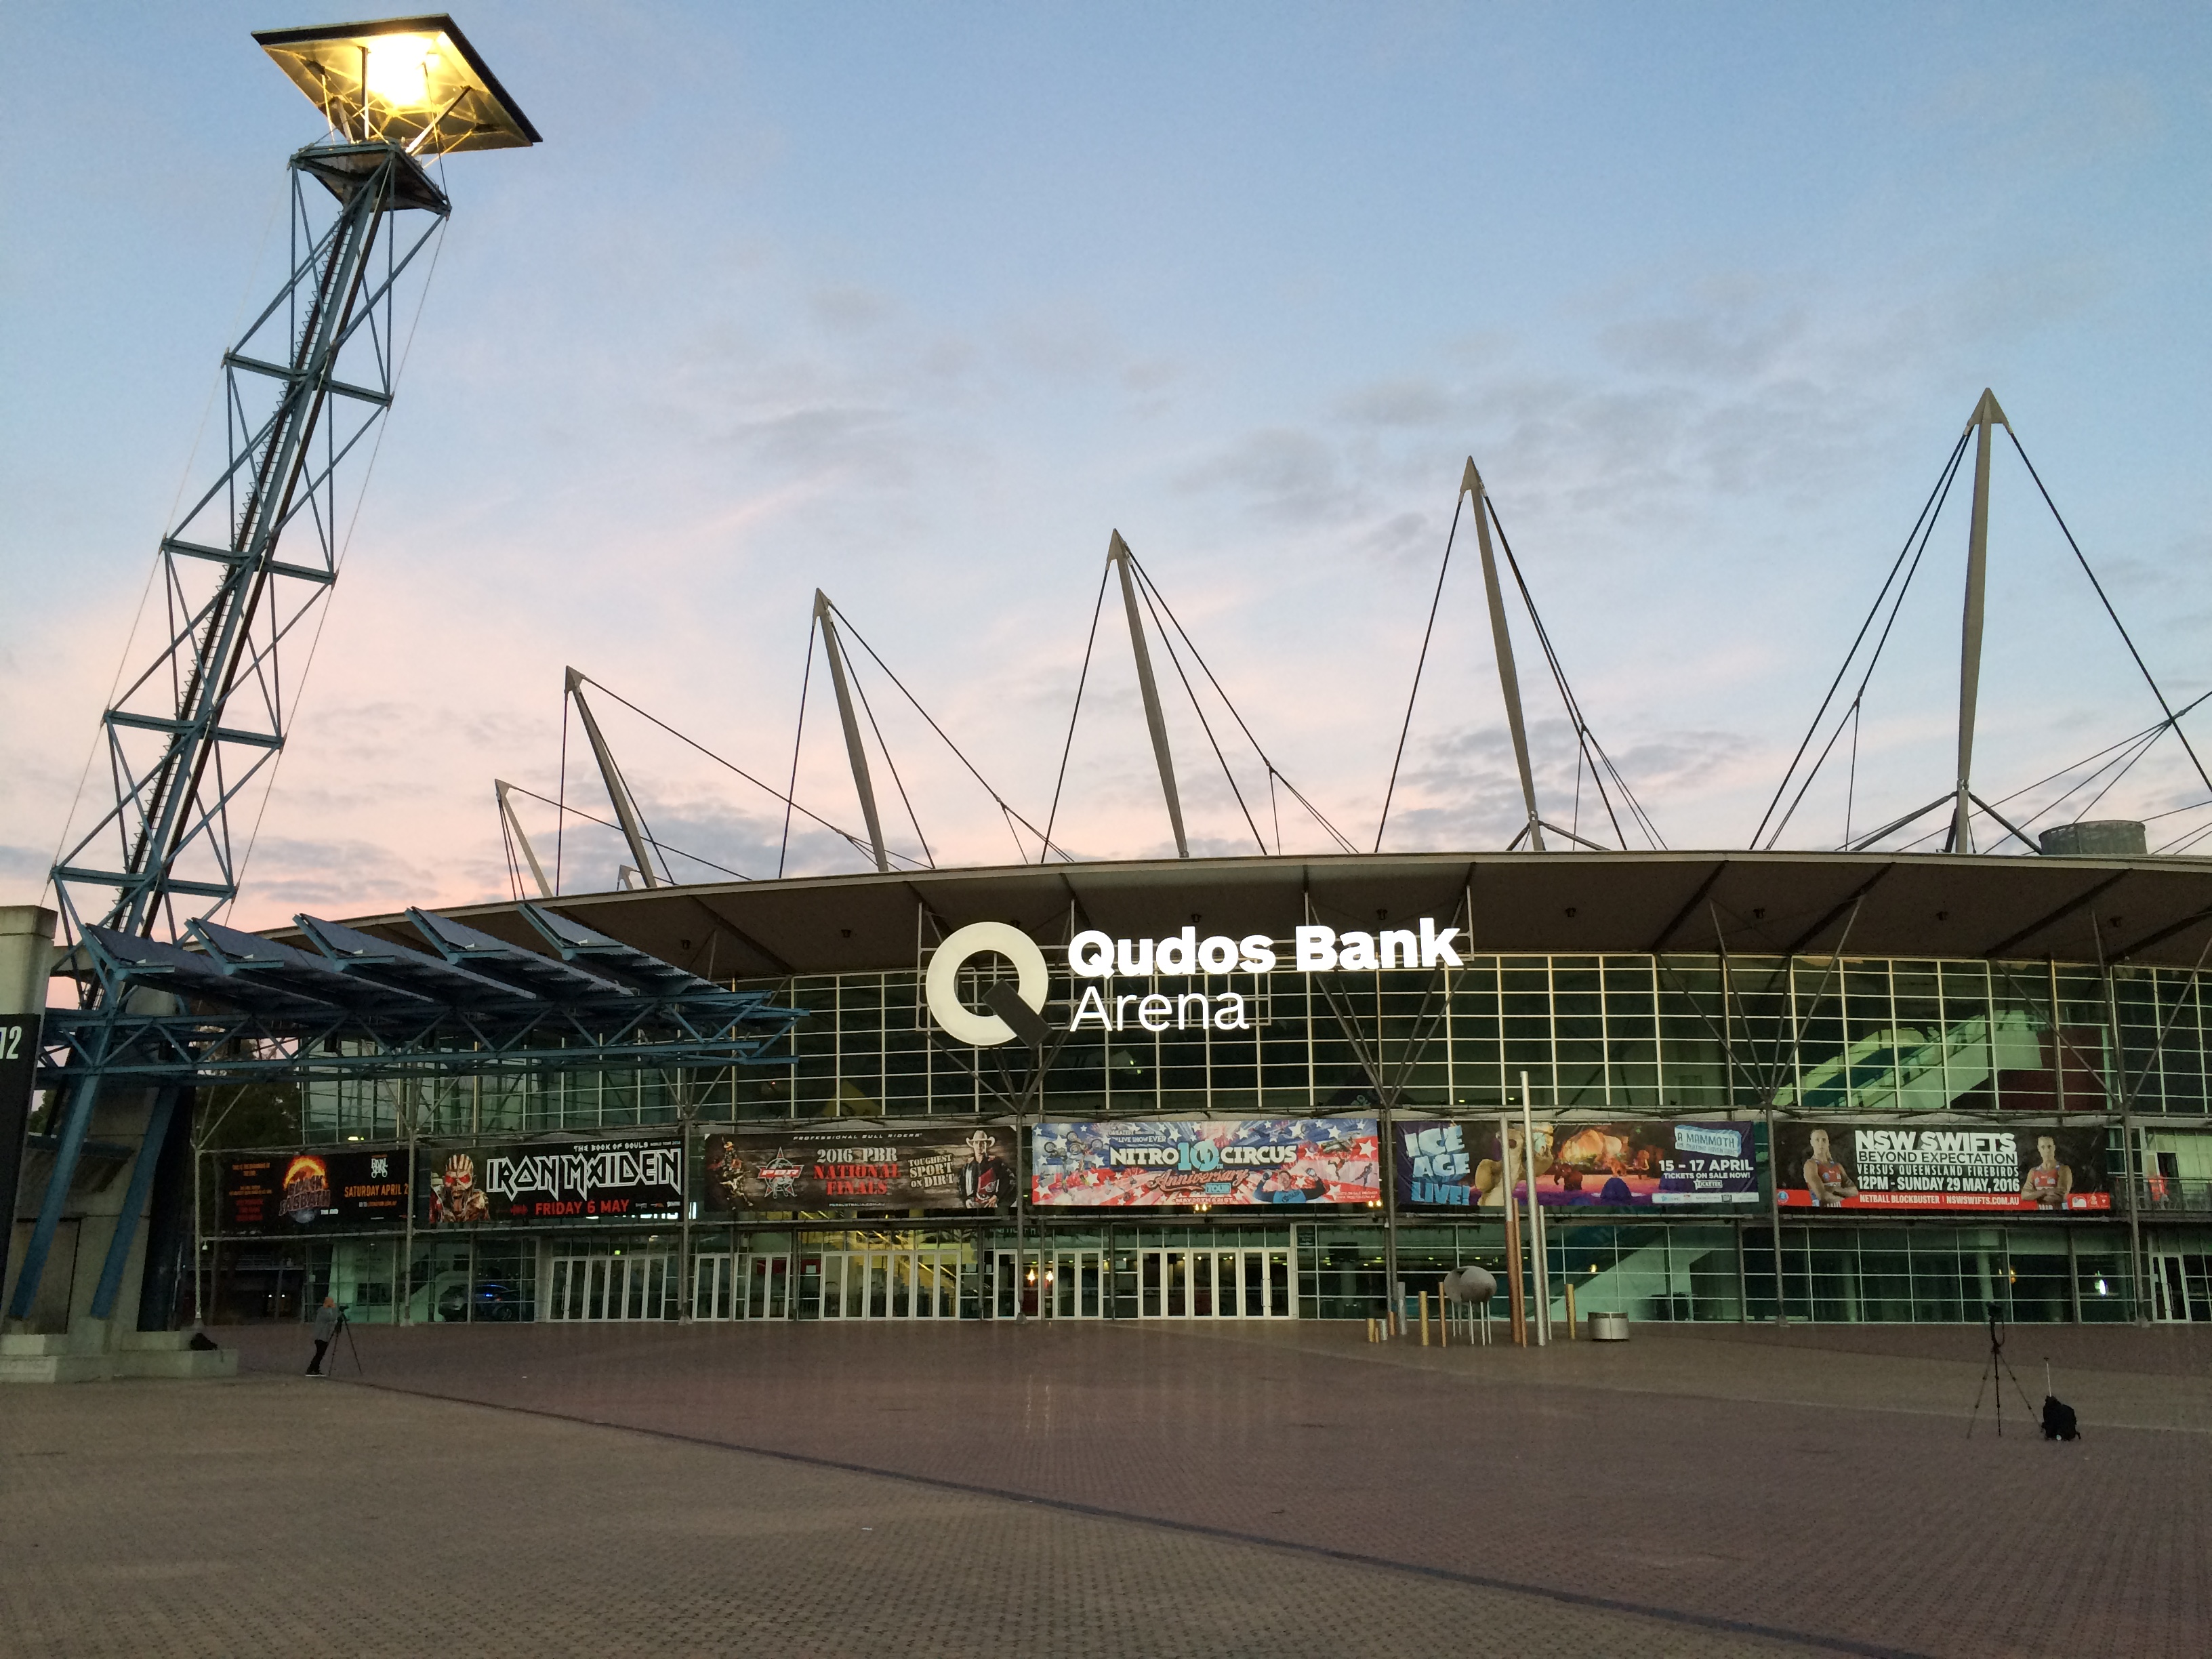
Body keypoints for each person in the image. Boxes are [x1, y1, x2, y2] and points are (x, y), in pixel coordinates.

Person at [1802, 1127, 1858, 1206]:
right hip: (1820, 1214)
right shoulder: (1811, 1165)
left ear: (1828, 1142)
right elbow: (1823, 1197)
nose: (1821, 1143)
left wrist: (1835, 1189)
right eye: (1817, 1140)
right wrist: (1845, 1195)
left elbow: (1855, 1192)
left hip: (1840, 1213)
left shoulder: (1838, 1166)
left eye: (1824, 1140)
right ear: (1812, 1143)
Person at [2021, 1134, 2073, 1210]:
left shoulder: (2063, 1169)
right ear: (2039, 1149)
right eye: (2043, 1147)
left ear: (2054, 1148)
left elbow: (2060, 1197)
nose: (2047, 1150)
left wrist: (2035, 1196)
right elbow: (2024, 1195)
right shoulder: (2033, 1172)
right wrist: (2046, 1191)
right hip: (2041, 1216)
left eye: (2049, 1147)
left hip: (2060, 1216)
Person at [306, 1296, 340, 1376]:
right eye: (331, 1302)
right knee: (319, 1353)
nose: (333, 1303)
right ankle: (310, 1370)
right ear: (327, 1302)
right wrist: (335, 1309)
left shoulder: (325, 1311)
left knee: (321, 1353)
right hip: (320, 1336)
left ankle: (316, 1370)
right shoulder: (322, 1311)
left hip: (323, 1336)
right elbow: (331, 1318)